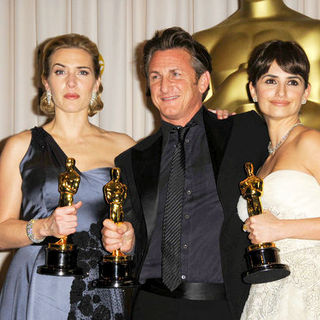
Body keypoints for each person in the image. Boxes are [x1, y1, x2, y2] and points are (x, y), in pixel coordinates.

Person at [101, 27, 269, 320]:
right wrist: (127, 240)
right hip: (150, 305)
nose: (164, 86)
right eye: (155, 77)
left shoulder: (245, 133)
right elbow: (134, 235)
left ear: (203, 81)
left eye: (175, 74)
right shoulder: (130, 161)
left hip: (223, 306)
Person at [0, 33, 135, 319]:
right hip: (38, 282)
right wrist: (43, 228)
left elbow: (144, 221)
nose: (71, 83)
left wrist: (129, 237)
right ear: (46, 82)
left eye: (82, 72)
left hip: (102, 281)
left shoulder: (125, 147)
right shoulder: (19, 146)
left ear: (97, 83)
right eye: (60, 71)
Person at [237, 40, 320, 319]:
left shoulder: (311, 142)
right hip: (268, 293)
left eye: (293, 82)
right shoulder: (263, 160)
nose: (281, 92)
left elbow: (276, 228)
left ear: (306, 92)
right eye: (270, 80)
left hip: (310, 291)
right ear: (253, 89)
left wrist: (281, 228)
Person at [193, 0, 320, 129]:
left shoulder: (314, 33)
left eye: (292, 82)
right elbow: (188, 127)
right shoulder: (204, 41)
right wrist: (230, 93)